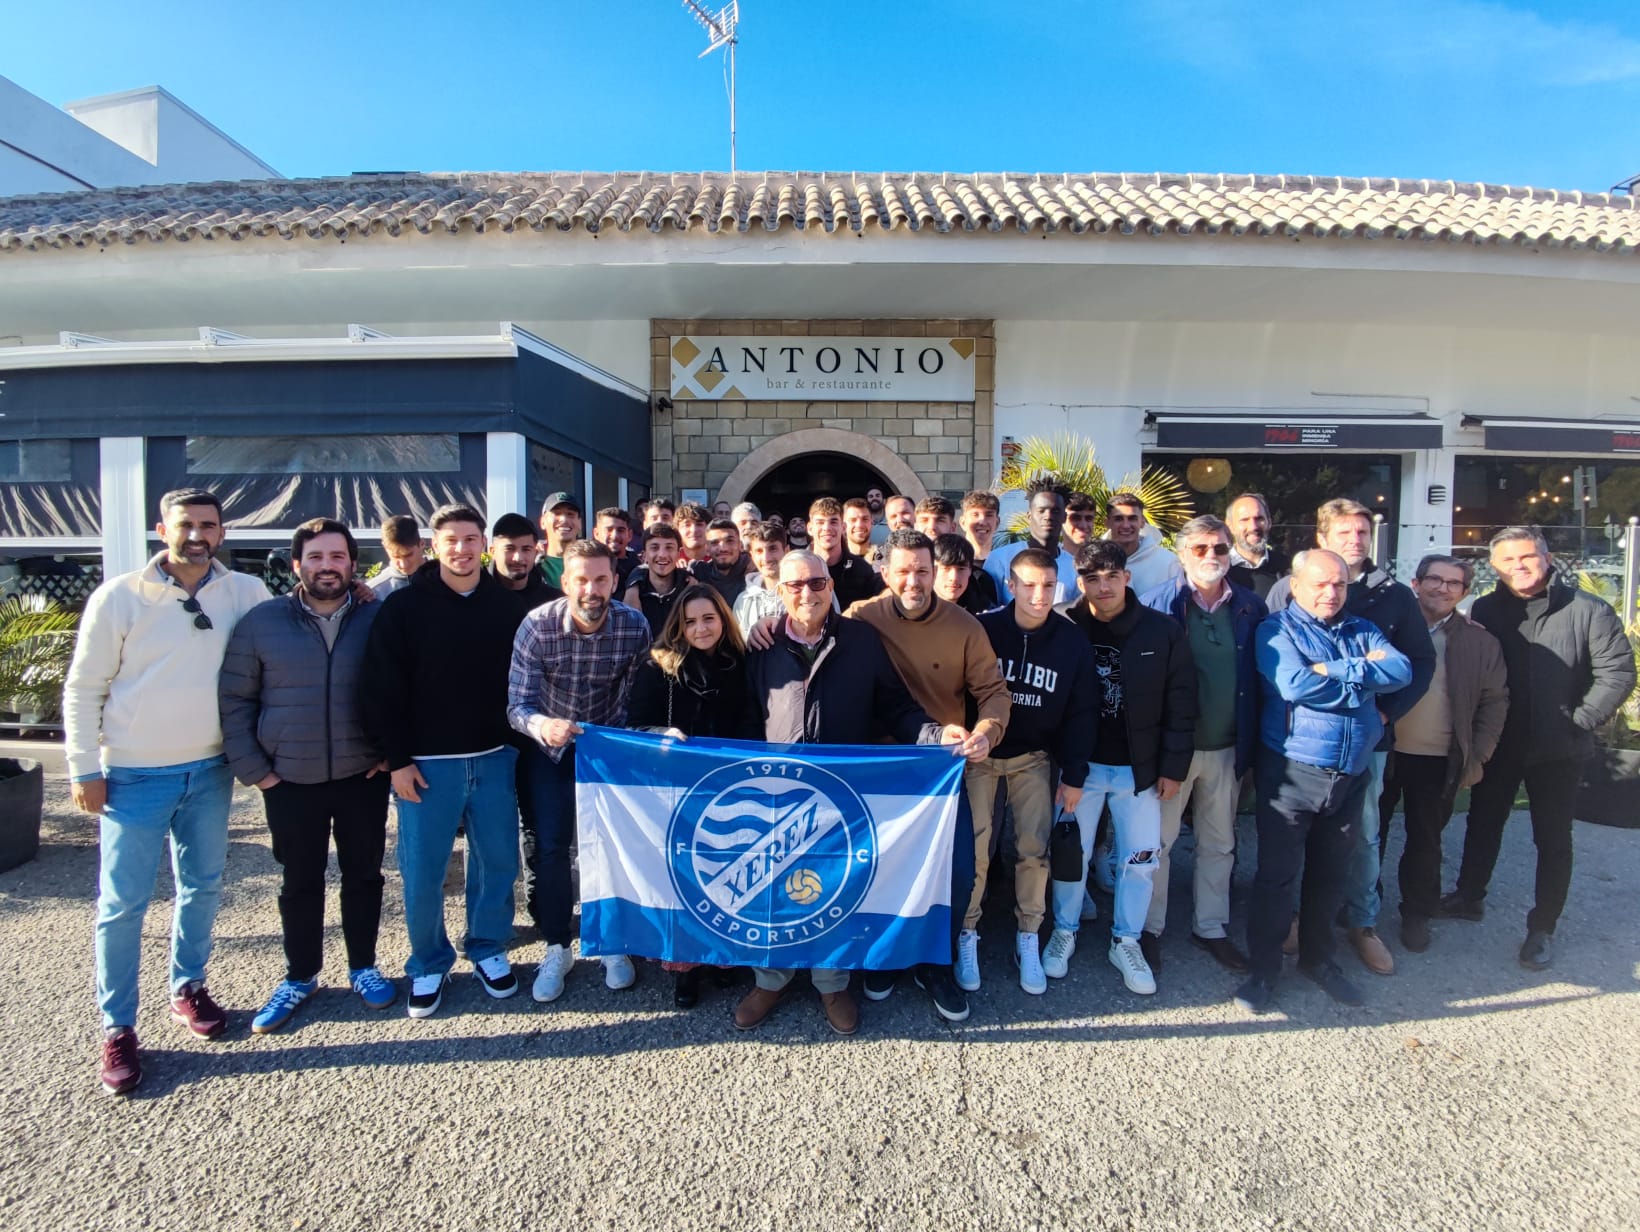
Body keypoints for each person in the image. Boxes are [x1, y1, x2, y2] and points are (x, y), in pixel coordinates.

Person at [65, 488, 275, 1095]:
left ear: (221, 531)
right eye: (186, 524)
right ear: (163, 528)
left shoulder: (243, 593)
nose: (197, 535)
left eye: (208, 525)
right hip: (131, 775)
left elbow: (292, 624)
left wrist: (367, 588)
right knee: (122, 905)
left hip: (209, 770)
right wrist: (84, 769)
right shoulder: (121, 596)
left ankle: (188, 985)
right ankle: (118, 1026)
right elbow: (83, 688)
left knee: (203, 885)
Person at [734, 549, 959, 1035]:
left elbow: (897, 707)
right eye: (794, 586)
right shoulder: (763, 644)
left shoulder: (860, 640)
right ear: (780, 592)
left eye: (816, 583)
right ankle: (770, 978)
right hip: (775, 790)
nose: (806, 593)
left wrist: (937, 736)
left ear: (831, 586)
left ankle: (832, 981)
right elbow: (746, 715)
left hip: (841, 795)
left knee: (832, 885)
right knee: (771, 887)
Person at [219, 518, 395, 1033]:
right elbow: (235, 698)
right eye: (316, 557)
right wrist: (255, 771)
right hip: (289, 779)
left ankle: (363, 966)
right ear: (297, 565)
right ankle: (300, 975)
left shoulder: (374, 617)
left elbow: (401, 687)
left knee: (364, 876)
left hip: (361, 774)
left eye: (337, 557)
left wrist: (388, 753)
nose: (327, 567)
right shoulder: (262, 622)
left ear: (352, 564)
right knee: (300, 880)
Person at [362, 503, 530, 1019]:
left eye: (470, 539)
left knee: (498, 859)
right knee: (423, 869)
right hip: (427, 765)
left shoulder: (506, 606)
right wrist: (396, 760)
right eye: (451, 540)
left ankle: (487, 946)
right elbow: (379, 689)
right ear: (435, 547)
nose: (461, 549)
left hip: (495, 758)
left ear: (484, 545)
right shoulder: (404, 608)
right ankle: (428, 961)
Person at [1447, 527, 1635, 969]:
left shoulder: (1588, 609)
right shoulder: (1486, 610)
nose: (1519, 567)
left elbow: (1618, 674)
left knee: (1552, 839)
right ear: (1494, 567)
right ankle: (1468, 897)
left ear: (1547, 558)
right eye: (1508, 561)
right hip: (1500, 743)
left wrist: (1579, 721)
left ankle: (1542, 926)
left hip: (1560, 749)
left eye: (1527, 557)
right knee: (1482, 822)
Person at [1234, 550, 1413, 1014]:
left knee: (1330, 876)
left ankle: (1319, 960)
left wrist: (1336, 670)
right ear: (1296, 587)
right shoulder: (1277, 630)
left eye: (1338, 584)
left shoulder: (1362, 629)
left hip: (1350, 774)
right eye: (1320, 584)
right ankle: (1264, 971)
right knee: (1277, 878)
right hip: (1293, 771)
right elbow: (1294, 685)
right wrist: (1363, 676)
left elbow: (1401, 671)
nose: (1330, 593)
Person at [846, 529, 1010, 1022]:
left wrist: (987, 730)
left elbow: (994, 691)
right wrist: (768, 627)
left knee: (955, 870)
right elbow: (805, 635)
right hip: (877, 769)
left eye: (922, 571)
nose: (914, 581)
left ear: (934, 570)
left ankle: (935, 962)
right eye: (903, 571)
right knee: (881, 868)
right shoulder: (860, 618)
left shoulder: (964, 626)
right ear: (885, 573)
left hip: (940, 771)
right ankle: (885, 957)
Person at [1267, 499, 1434, 978]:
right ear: (1322, 538)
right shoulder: (1288, 589)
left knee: (1363, 834)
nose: (1355, 540)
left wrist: (1386, 711)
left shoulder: (1393, 596)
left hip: (1366, 738)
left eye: (1363, 533)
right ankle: (1298, 917)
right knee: (1296, 836)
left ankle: (1363, 923)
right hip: (1302, 742)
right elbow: (1285, 668)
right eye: (1345, 533)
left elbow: (1416, 664)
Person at [1047, 540, 1195, 995]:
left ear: (1127, 577)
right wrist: (1067, 766)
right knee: (1072, 856)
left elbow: (1182, 701)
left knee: (1141, 858)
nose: (1103, 586)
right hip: (1081, 767)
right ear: (1079, 580)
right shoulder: (1065, 625)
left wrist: (1172, 766)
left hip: (1140, 769)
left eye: (1112, 575)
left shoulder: (1161, 630)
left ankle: (1125, 939)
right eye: (1092, 577)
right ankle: (1064, 929)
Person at [507, 540, 652, 1002]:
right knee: (550, 848)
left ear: (614, 580)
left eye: (601, 579)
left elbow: (636, 694)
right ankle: (556, 944)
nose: (591, 589)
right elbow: (517, 705)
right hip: (549, 746)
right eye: (581, 580)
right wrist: (542, 725)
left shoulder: (634, 626)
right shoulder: (537, 626)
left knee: (608, 845)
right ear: (565, 581)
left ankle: (611, 940)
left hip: (605, 749)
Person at [1140, 515, 1266, 975]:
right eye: (1200, 549)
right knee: (1158, 843)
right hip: (1174, 750)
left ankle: (1210, 927)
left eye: (1219, 548)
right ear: (1181, 554)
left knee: (1220, 843)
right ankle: (1148, 929)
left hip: (1229, 747)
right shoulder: (1156, 606)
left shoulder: (1251, 607)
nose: (1211, 557)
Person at [970, 548, 1096, 994]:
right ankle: (967, 932)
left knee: (1033, 850)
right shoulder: (984, 628)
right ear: (1011, 584)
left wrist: (1075, 773)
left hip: (1035, 758)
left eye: (1047, 585)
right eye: (1029, 584)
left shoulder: (1071, 640)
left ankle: (1029, 934)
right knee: (977, 850)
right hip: (982, 757)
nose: (1039, 595)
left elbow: (1083, 712)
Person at [1374, 555, 1507, 954]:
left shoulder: (1479, 641)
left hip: (1438, 759)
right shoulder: (1390, 628)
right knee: (1367, 835)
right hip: (1383, 751)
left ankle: (1417, 911)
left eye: (1454, 583)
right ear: (1416, 583)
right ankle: (1359, 907)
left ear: (1465, 593)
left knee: (1426, 840)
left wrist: (1478, 756)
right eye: (1435, 579)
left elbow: (1494, 701)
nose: (1443, 588)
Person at [625, 583, 749, 1008]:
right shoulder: (658, 666)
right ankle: (685, 969)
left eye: (709, 618)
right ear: (679, 624)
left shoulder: (743, 662)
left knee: (727, 877)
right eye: (691, 621)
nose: (700, 628)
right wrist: (663, 735)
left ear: (723, 620)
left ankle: (724, 959)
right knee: (684, 882)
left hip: (730, 790)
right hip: (676, 791)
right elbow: (636, 725)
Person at [984, 474, 1078, 603]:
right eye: (1041, 511)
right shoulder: (999, 559)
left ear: (1064, 517)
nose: (1048, 516)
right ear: (1029, 515)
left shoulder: (1074, 567)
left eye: (1055, 511)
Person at [808, 496, 886, 607]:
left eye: (833, 522)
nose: (827, 528)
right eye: (820, 522)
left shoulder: (862, 570)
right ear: (810, 528)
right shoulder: (798, 569)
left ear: (843, 527)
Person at [1103, 492, 1182, 597]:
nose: (1126, 525)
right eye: (1118, 519)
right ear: (1107, 523)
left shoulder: (1168, 562)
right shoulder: (1094, 560)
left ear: (1142, 522)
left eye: (1132, 518)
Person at [623, 524, 688, 636]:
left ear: (678, 553)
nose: (662, 555)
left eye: (669, 547)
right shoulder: (631, 595)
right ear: (644, 555)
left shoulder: (689, 591)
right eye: (654, 548)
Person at [1225, 493, 1290, 599]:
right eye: (1244, 520)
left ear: (1269, 522)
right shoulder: (1220, 572)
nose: (1253, 527)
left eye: (1259, 518)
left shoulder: (1287, 568)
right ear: (1230, 525)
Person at [491, 512, 563, 607]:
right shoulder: (475, 594)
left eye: (526, 549)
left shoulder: (552, 603)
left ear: (535, 553)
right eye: (509, 549)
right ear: (493, 552)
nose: (518, 558)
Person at [732, 520, 791, 634]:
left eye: (772, 549)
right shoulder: (743, 601)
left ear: (786, 551)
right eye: (759, 551)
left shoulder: (806, 591)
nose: (766, 558)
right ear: (752, 556)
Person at [933, 532, 998, 616]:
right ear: (932, 570)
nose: (954, 577)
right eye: (946, 568)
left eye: (961, 569)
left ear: (970, 570)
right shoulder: (915, 610)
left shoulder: (987, 615)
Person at [691, 517, 751, 605]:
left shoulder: (754, 575)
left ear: (740, 545)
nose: (723, 548)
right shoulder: (698, 573)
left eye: (730, 541)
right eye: (715, 542)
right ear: (707, 549)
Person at [370, 515, 425, 597]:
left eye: (408, 555)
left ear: (422, 544)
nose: (403, 564)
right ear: (385, 547)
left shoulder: (447, 579)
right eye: (396, 557)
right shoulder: (374, 593)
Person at [537, 492, 582, 590]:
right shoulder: (531, 564)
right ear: (543, 522)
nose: (564, 519)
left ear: (580, 523)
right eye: (557, 513)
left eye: (571, 514)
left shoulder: (592, 562)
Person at [591, 506, 640, 590]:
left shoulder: (639, 568)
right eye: (609, 530)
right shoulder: (588, 566)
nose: (615, 536)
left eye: (620, 530)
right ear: (596, 534)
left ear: (629, 535)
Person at [960, 490, 1001, 568]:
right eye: (975, 515)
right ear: (963, 522)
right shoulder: (952, 563)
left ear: (997, 523)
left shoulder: (1005, 566)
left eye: (989, 515)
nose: (982, 522)